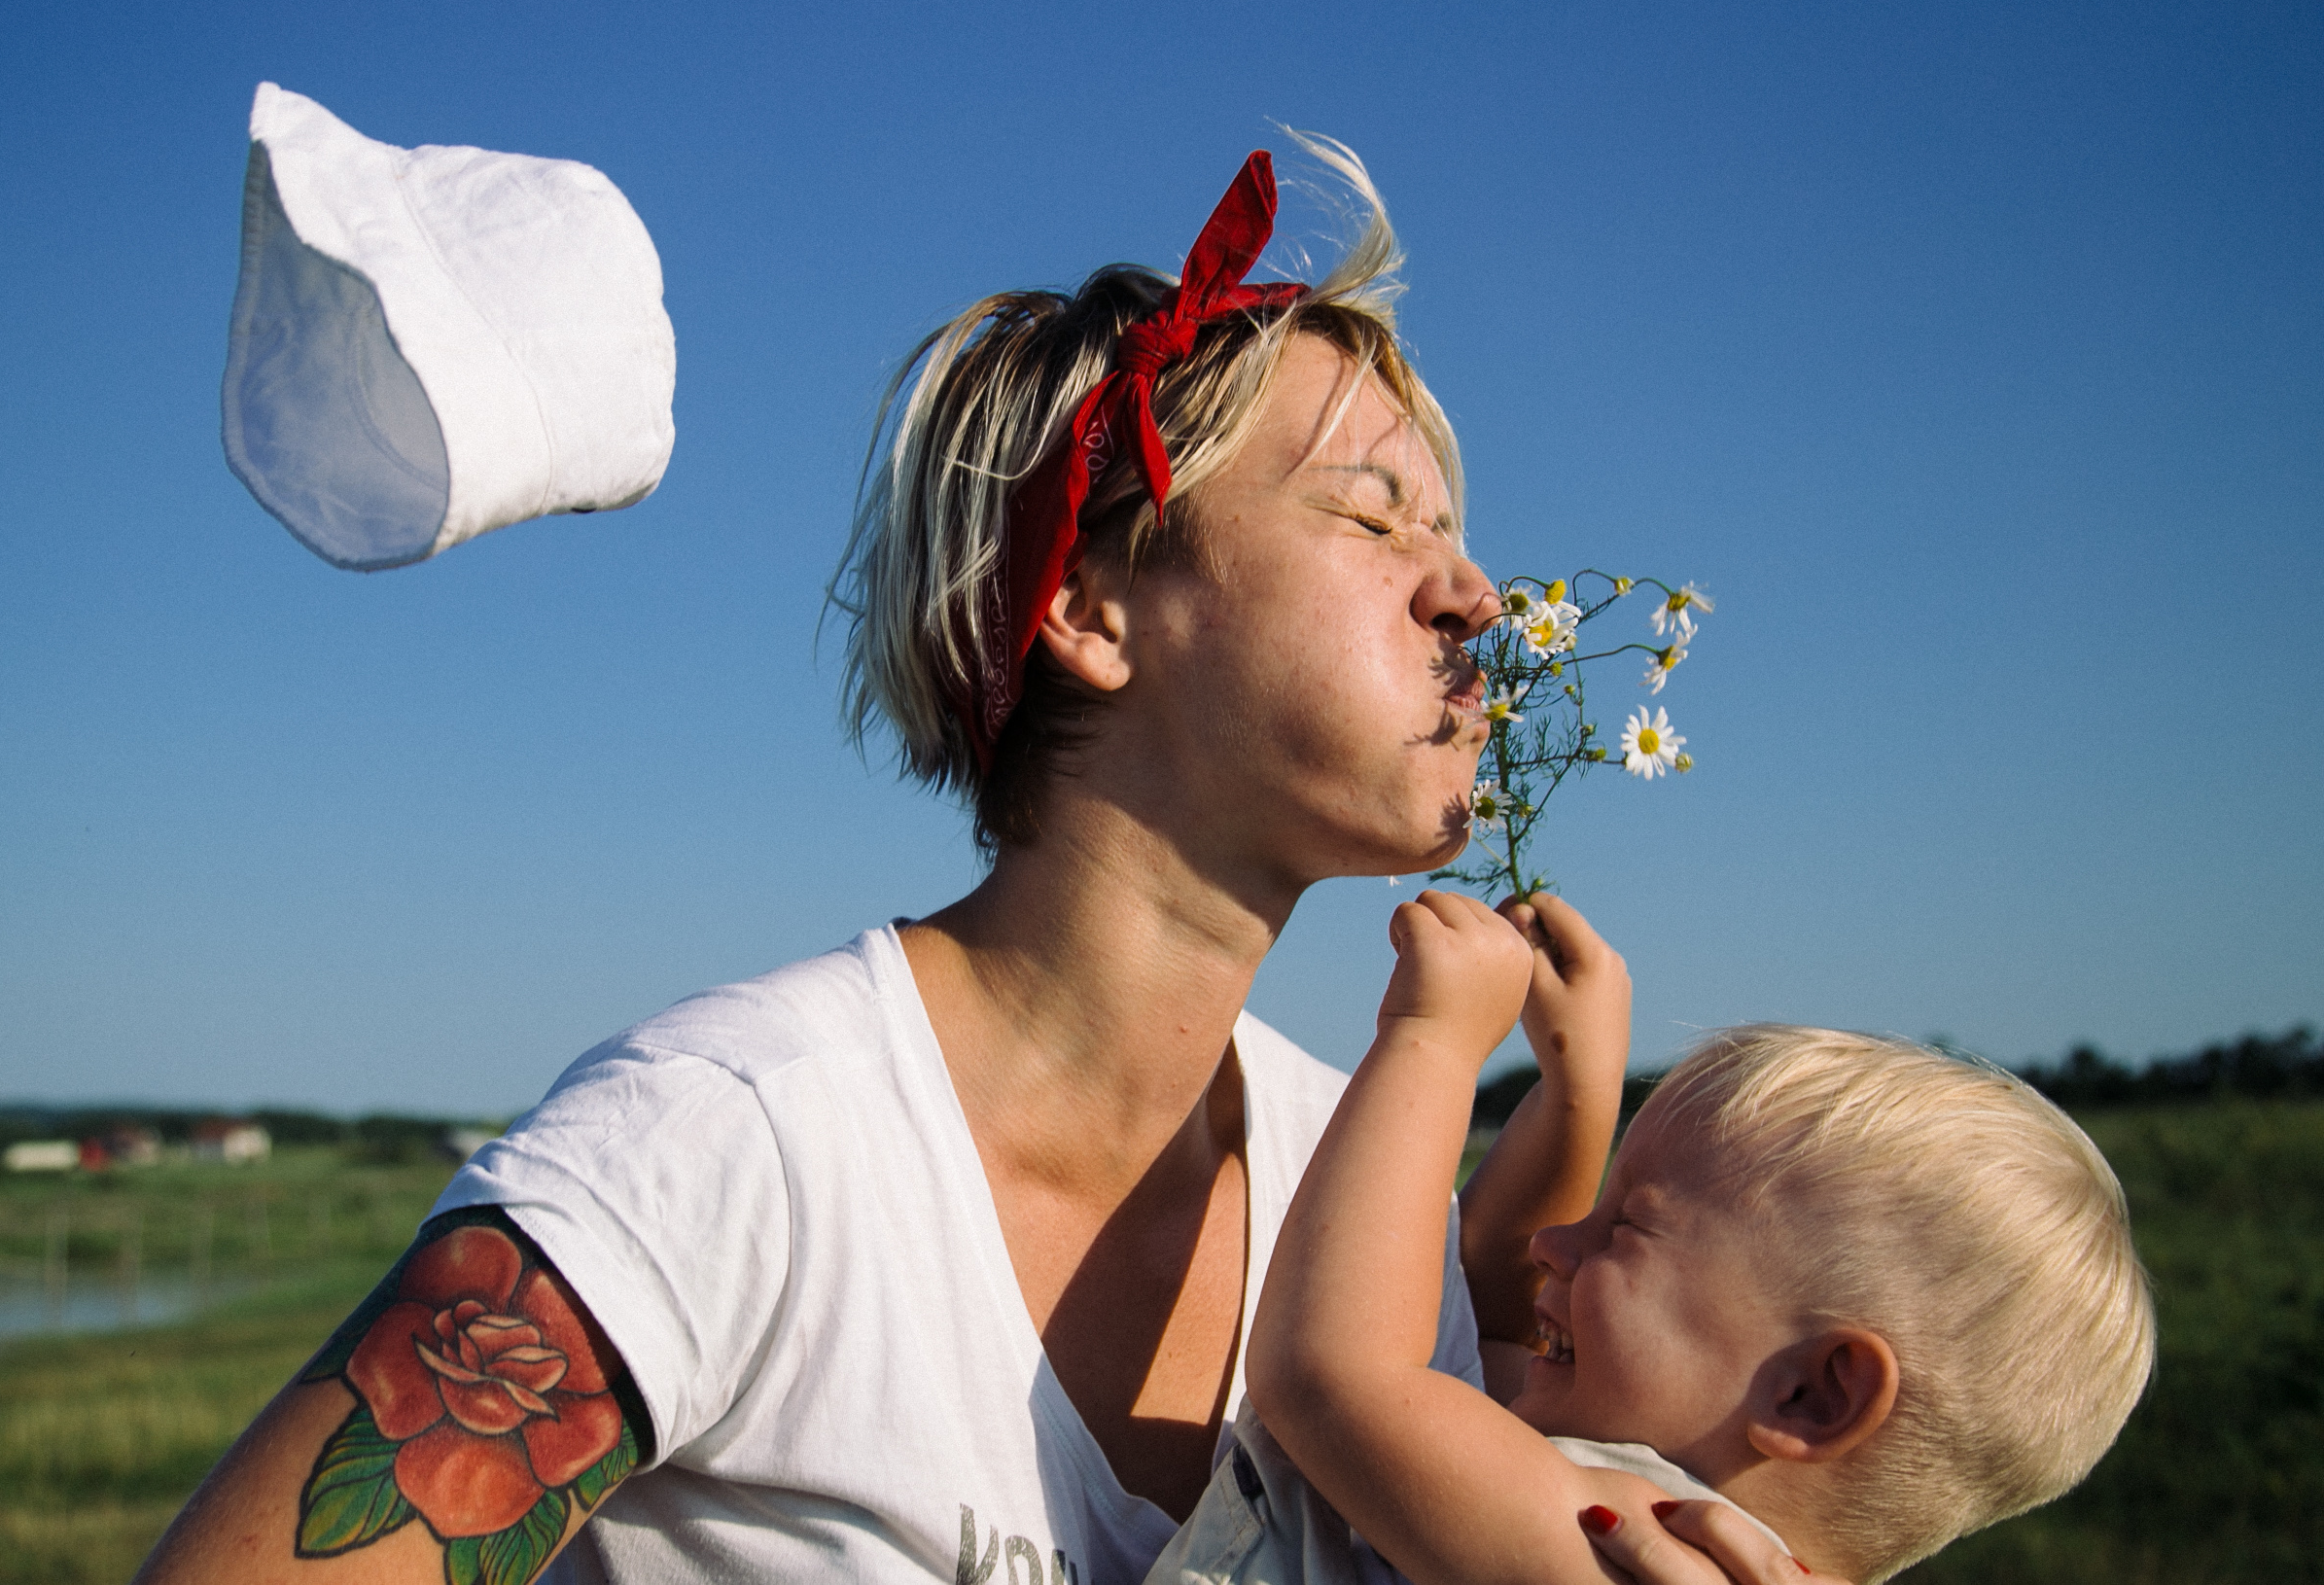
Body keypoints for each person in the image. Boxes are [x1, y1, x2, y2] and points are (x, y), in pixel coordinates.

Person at [135, 139, 1810, 1585]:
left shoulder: (1354, 1204)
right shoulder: (732, 1144)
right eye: (1374, 520)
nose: (1477, 600)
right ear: (1089, 606)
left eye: (1453, 536)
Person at [1154, 888, 2155, 1585]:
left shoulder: (1614, 1543)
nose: (1556, 1243)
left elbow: (1334, 1375)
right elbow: (1486, 1306)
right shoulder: (1597, 1472)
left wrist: (1432, 1039)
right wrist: (1576, 1094)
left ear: (1811, 1393)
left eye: (1627, 1226)